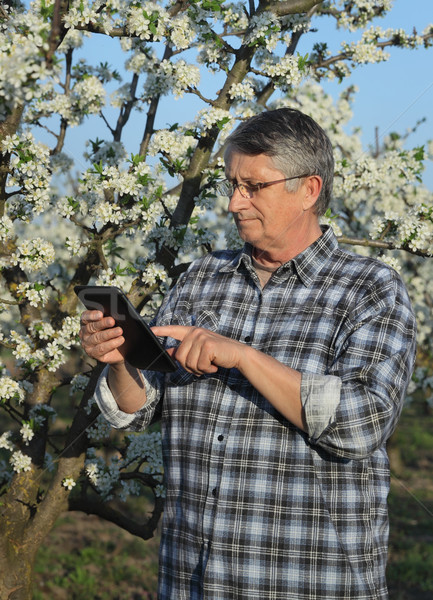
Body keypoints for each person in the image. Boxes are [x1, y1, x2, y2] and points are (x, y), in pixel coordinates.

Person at [79, 108, 417, 599]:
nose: (235, 202)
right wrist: (119, 360)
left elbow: (362, 424)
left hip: (307, 581)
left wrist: (242, 356)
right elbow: (137, 410)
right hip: (193, 577)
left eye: (253, 186)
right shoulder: (199, 280)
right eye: (232, 184)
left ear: (308, 189)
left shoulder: (369, 290)